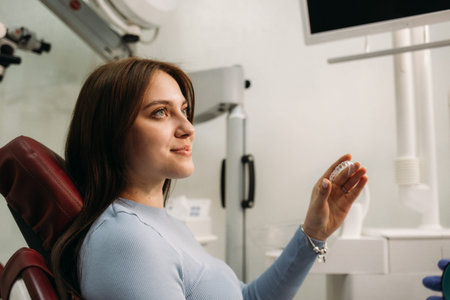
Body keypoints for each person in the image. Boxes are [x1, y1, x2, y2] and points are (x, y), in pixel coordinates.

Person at [51, 57, 368, 300]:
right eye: (160, 112)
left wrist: (313, 233)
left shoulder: (162, 225)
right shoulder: (127, 242)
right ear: (111, 133)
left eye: (183, 110)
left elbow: (247, 298)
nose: (188, 127)